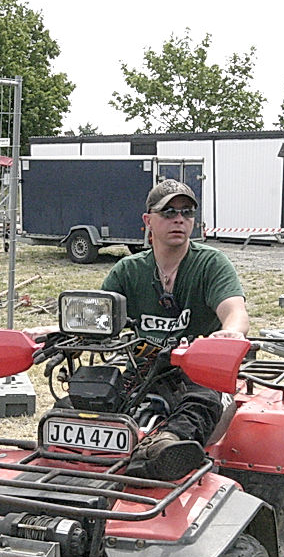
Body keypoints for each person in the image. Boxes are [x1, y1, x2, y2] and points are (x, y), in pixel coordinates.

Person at [101, 179, 249, 480]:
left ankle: (168, 448)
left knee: (201, 402)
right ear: (148, 221)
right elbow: (99, 319)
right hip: (143, 365)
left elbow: (234, 309)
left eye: (187, 212)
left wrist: (231, 332)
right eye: (168, 212)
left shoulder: (211, 264)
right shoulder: (128, 270)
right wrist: (52, 331)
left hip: (200, 369)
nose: (179, 219)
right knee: (94, 394)